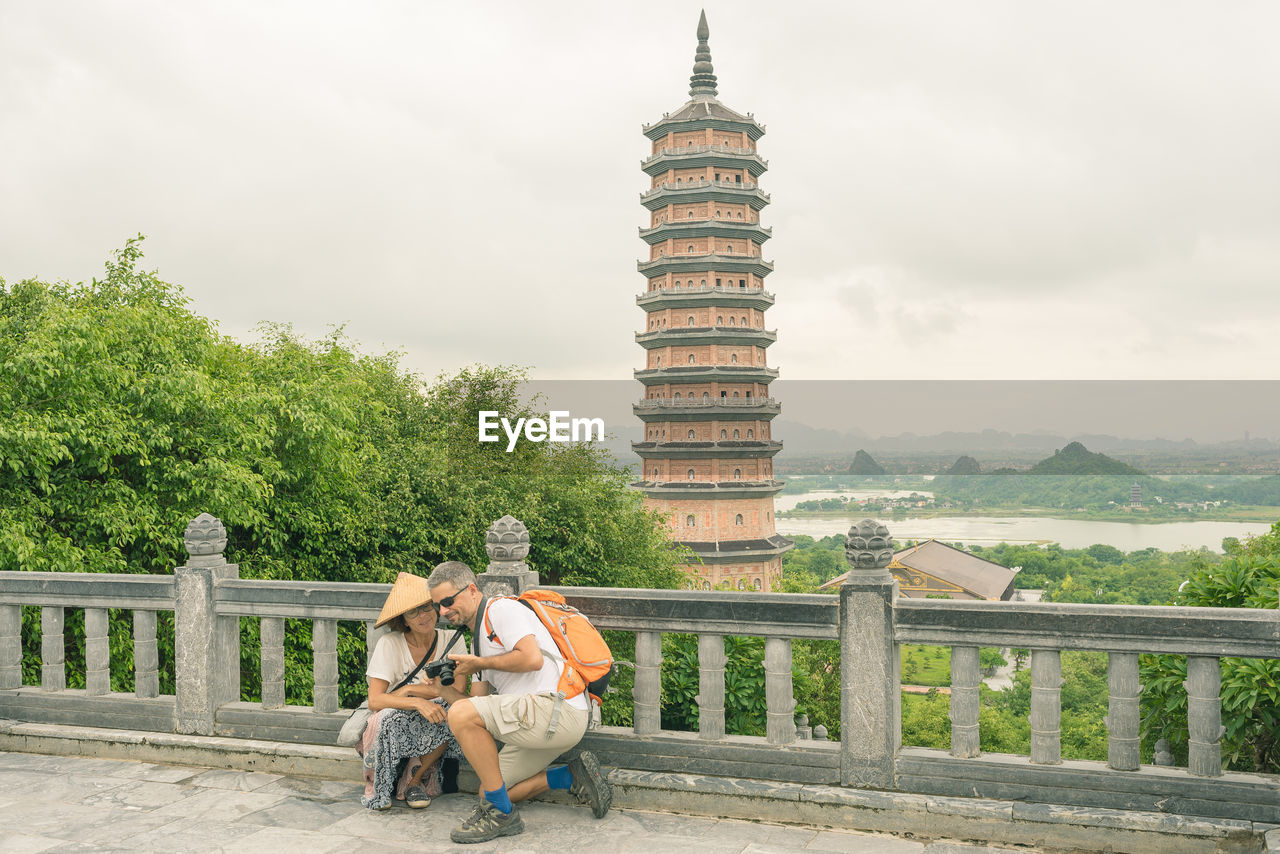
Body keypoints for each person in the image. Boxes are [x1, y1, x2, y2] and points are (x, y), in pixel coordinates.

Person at [427, 560, 611, 844]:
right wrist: (441, 689)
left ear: (472, 590)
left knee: (491, 789)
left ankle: (502, 817)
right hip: (547, 720)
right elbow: (475, 707)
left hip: (557, 708)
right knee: (489, 790)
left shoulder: (501, 610)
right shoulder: (478, 639)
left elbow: (531, 658)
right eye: (437, 605)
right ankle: (570, 776)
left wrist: (479, 662)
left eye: (448, 601)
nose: (443, 611)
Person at [360, 571, 464, 811]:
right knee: (388, 718)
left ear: (437, 608)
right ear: (404, 619)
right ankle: (380, 786)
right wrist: (415, 699)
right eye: (413, 612)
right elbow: (375, 700)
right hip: (396, 715)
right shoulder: (390, 643)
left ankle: (413, 781)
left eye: (427, 607)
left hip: (437, 713)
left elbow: (457, 691)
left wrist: (412, 691)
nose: (423, 616)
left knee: (457, 710)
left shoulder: (452, 639)